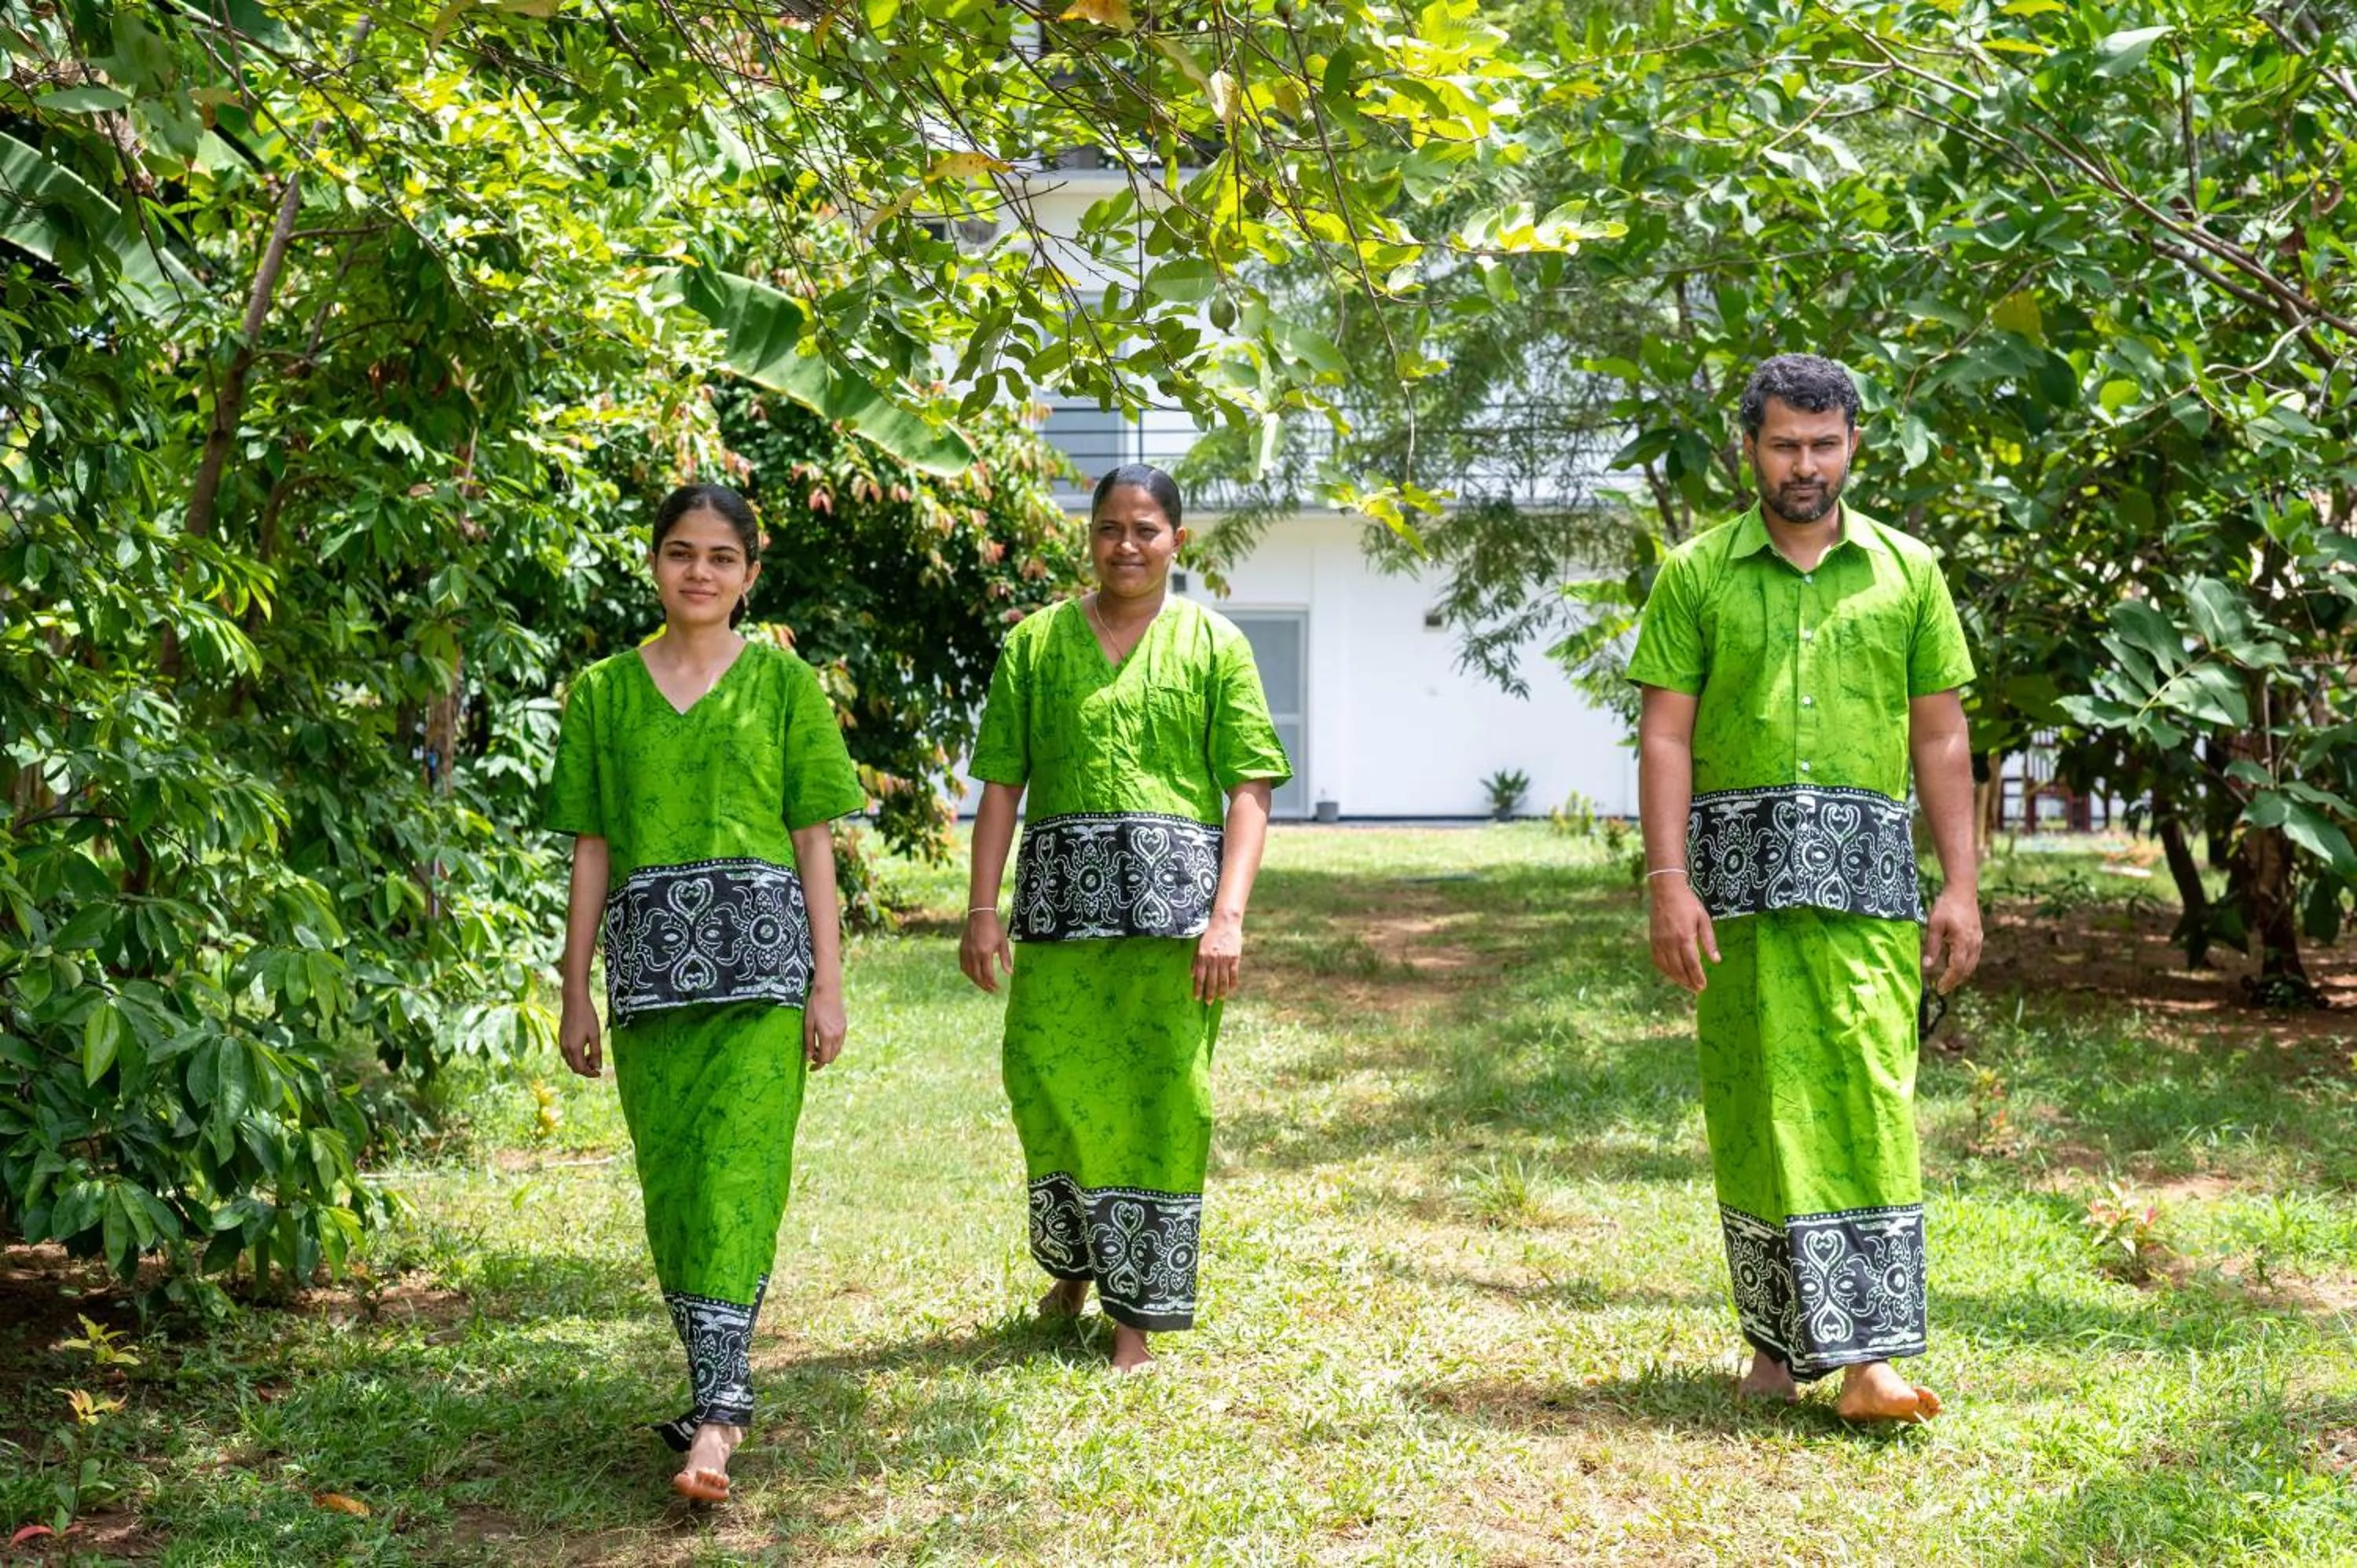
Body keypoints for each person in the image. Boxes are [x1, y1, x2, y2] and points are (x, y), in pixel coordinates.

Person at [1628, 354, 1980, 1423]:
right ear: (1750, 447)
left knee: (1871, 1099)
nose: (1805, 465)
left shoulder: (1908, 572)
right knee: (1756, 1107)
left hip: (1872, 890)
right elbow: (1665, 734)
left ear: (1855, 445)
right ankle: (1777, 1347)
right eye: (1785, 444)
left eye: (1824, 445)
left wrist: (1960, 884)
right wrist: (1666, 881)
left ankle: (1869, 1359)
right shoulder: (1695, 574)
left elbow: (1941, 735)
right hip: (1735, 894)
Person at [544, 482, 865, 1500]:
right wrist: (574, 989)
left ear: (750, 576)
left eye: (722, 558)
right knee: (678, 1186)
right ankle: (712, 1383)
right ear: (655, 564)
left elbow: (815, 842)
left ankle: (718, 1420)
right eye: (681, 553)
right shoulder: (602, 693)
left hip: (766, 984)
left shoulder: (784, 687)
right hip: (646, 990)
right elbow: (592, 849)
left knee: (738, 1176)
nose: (699, 573)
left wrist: (830, 983)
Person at [959, 463, 1292, 1371]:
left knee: (1161, 1099)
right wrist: (980, 909)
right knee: (1047, 1086)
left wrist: (1229, 917)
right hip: (1057, 916)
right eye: (1111, 527)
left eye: (1146, 529)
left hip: (1173, 925)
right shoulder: (1034, 645)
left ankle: (1133, 1316)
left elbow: (1249, 787)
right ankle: (1073, 1265)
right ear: (1089, 536)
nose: (1127, 545)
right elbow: (1001, 785)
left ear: (1177, 541)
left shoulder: (1215, 644)